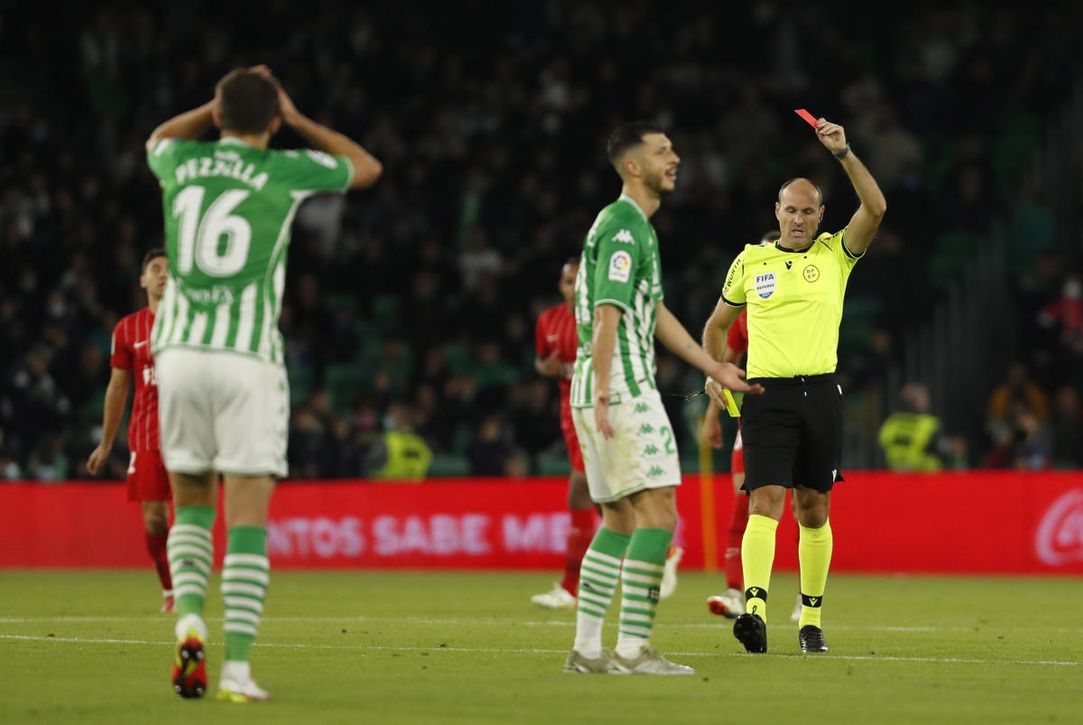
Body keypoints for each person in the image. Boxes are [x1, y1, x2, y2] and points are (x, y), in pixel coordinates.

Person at [146, 65, 381, 701]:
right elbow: (366, 167)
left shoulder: (179, 163)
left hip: (177, 356)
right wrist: (298, 120)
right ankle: (237, 670)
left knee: (190, 501)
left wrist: (216, 104)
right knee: (246, 515)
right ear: (272, 120)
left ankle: (190, 618)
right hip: (245, 357)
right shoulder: (284, 169)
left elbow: (157, 138)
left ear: (217, 117)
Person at [563, 121, 761, 676]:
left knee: (619, 520)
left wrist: (712, 365)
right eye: (662, 151)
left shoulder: (626, 225)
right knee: (659, 512)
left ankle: (586, 651)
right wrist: (607, 391)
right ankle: (632, 650)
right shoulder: (627, 226)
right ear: (633, 166)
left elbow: (652, 314)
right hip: (620, 387)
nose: (675, 157)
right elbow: (608, 311)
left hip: (595, 388)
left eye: (673, 147)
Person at [702, 116, 886, 655]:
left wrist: (844, 152)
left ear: (821, 216)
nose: (800, 218)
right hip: (763, 394)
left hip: (821, 393)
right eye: (791, 209)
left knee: (815, 508)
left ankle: (810, 621)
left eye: (809, 210)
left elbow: (875, 209)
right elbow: (716, 326)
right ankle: (754, 611)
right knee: (764, 499)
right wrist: (716, 370)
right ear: (776, 213)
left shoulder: (836, 255)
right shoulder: (750, 260)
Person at [704, 230, 802, 623]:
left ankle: (803, 596)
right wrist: (713, 415)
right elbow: (724, 364)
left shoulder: (804, 303)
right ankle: (735, 592)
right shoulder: (746, 315)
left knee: (803, 506)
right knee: (744, 503)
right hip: (755, 418)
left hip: (799, 413)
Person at [86, 248, 175, 613]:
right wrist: (106, 443)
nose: (163, 275)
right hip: (147, 435)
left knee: (187, 514)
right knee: (155, 518)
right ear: (143, 280)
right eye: (155, 269)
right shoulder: (128, 328)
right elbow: (117, 388)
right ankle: (169, 588)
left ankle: (186, 586)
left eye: (169, 270)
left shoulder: (195, 322)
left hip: (190, 433)